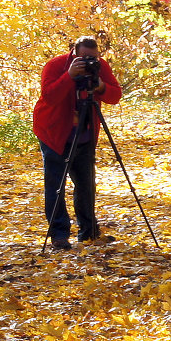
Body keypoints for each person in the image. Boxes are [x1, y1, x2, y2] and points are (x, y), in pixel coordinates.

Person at [33, 36, 122, 249]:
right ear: (74, 52)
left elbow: (115, 95)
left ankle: (88, 232)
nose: (88, 61)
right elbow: (49, 96)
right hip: (54, 133)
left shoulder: (100, 67)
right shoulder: (56, 66)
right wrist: (69, 76)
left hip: (84, 134)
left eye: (93, 57)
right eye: (83, 58)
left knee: (86, 185)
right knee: (55, 186)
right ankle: (59, 235)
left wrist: (99, 85)